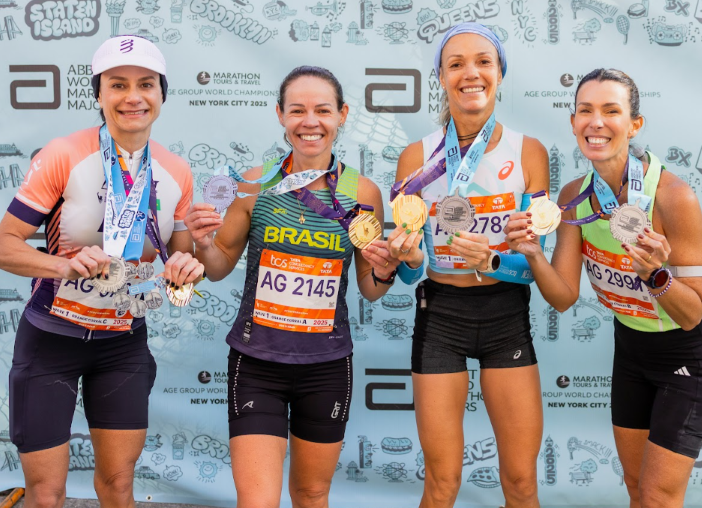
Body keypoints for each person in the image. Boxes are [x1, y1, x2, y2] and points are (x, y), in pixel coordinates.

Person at [505, 68, 702, 508]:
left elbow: (692, 314)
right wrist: (533, 254)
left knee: (659, 496)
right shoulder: (573, 197)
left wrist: (656, 275)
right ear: (573, 122)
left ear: (634, 124)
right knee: (636, 487)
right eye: (585, 111)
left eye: (611, 111)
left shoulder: (673, 197)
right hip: (630, 351)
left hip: (687, 356)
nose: (596, 122)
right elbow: (564, 297)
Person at [0, 36, 203, 508]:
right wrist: (63, 265)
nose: (133, 97)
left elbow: (180, 269)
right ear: (98, 94)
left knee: (117, 488)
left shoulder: (176, 171)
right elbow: (5, 244)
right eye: (118, 85)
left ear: (162, 93)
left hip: (123, 344)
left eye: (146, 84)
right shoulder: (64, 154)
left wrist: (188, 268)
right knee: (47, 495)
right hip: (51, 340)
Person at [184, 66, 396, 508]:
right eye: (297, 110)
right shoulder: (255, 184)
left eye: (323, 110)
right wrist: (203, 244)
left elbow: (370, 288)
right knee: (257, 501)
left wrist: (386, 268)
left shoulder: (363, 193)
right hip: (257, 363)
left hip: (326, 366)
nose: (310, 122)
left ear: (342, 115)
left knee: (311, 494)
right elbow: (218, 267)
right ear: (280, 115)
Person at [386, 23, 549, 508]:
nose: (470, 73)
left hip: (506, 316)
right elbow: (410, 272)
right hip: (441, 317)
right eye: (455, 64)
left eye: (483, 62)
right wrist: (409, 258)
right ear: (441, 77)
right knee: (441, 483)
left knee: (520, 482)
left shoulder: (528, 152)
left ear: (499, 73)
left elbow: (532, 266)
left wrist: (493, 260)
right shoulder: (416, 157)